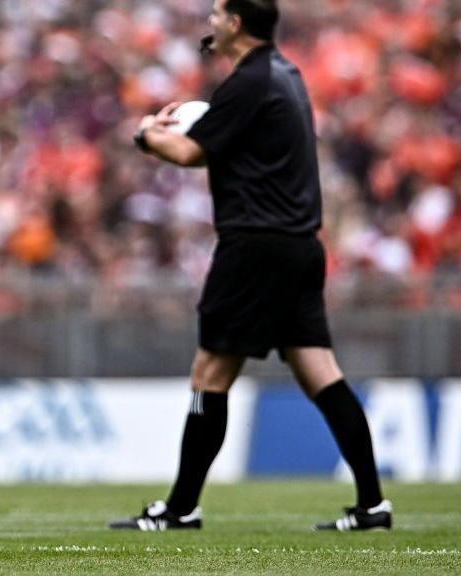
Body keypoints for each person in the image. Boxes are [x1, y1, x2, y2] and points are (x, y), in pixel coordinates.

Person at [110, 0, 390, 531]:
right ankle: (373, 504)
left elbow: (191, 153)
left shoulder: (250, 81)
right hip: (300, 245)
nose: (209, 25)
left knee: (209, 373)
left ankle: (180, 508)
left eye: (216, 14)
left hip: (256, 247)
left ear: (236, 23)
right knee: (319, 372)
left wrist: (147, 133)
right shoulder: (287, 75)